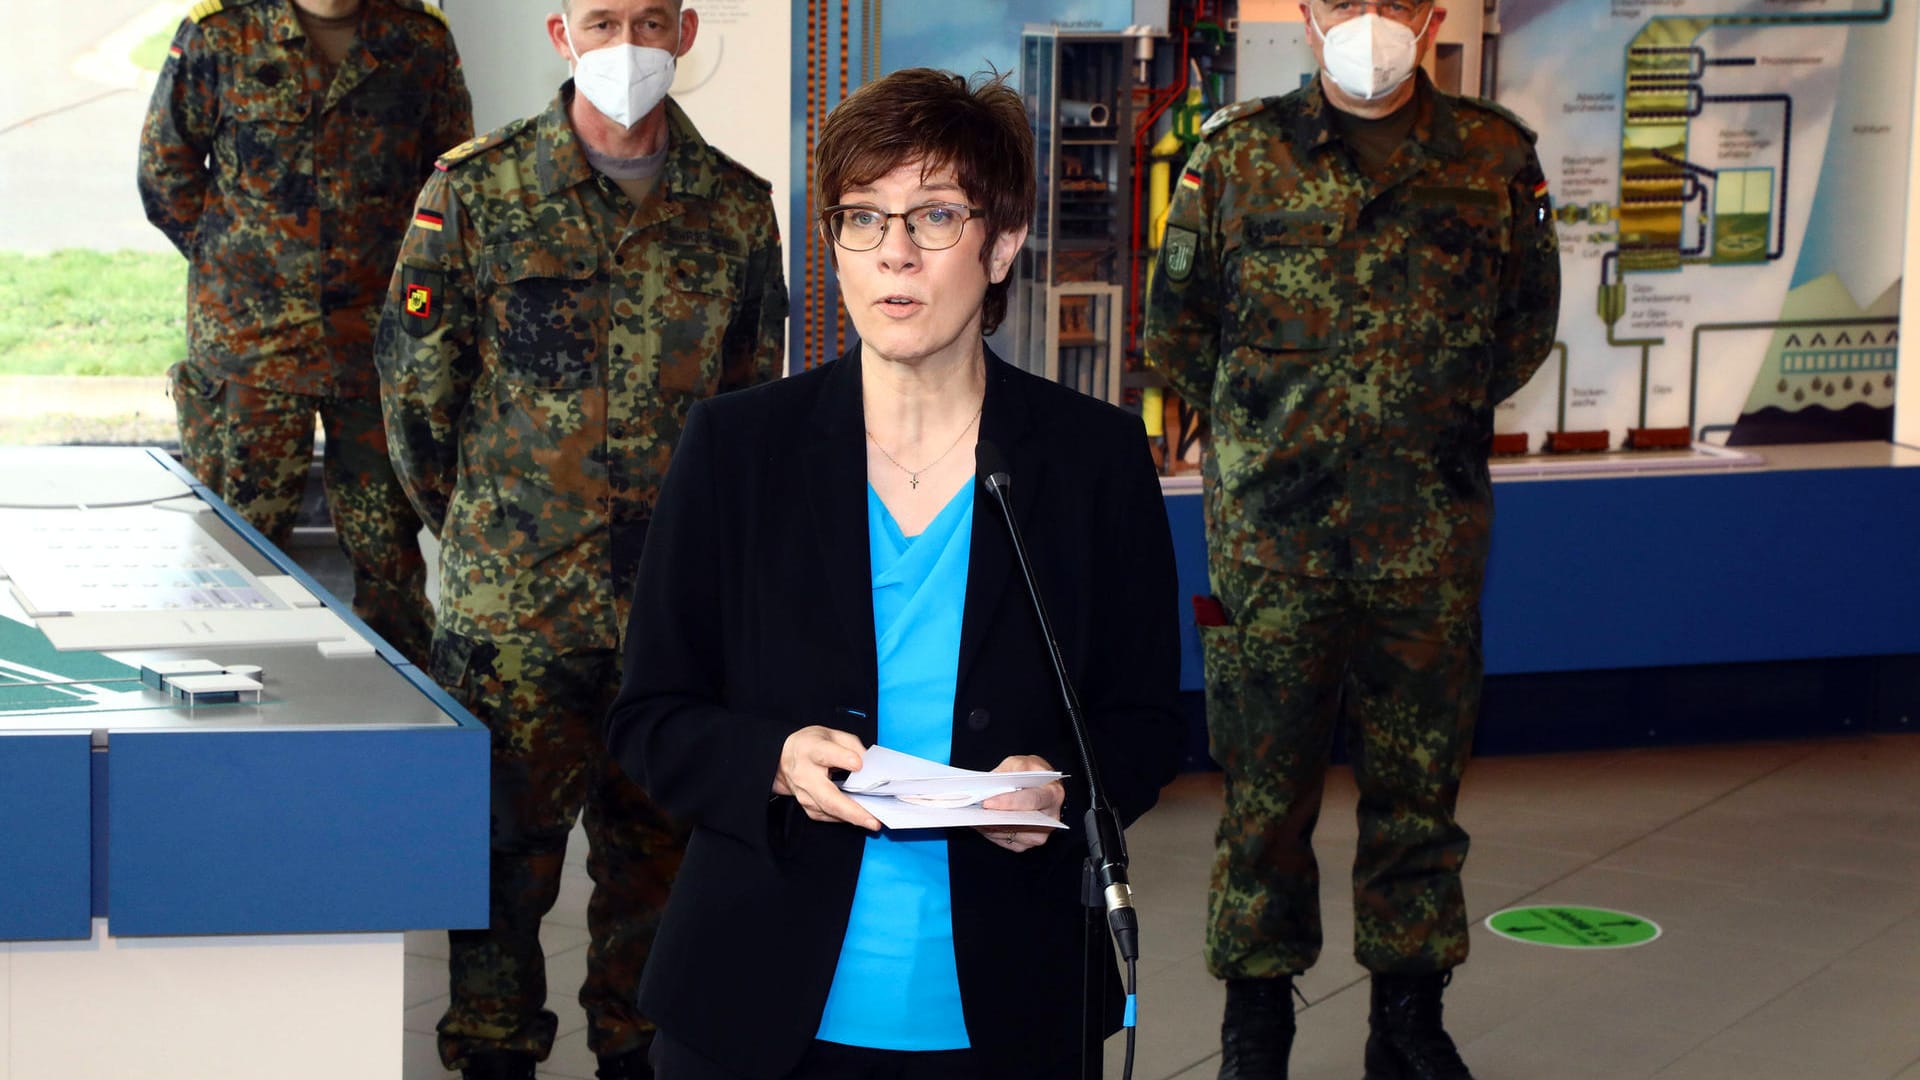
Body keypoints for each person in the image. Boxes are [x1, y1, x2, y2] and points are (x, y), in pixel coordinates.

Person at [603, 68, 1183, 1080]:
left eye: (936, 216)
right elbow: (651, 716)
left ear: (1001, 243)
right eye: (864, 219)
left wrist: (1056, 788)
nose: (896, 254)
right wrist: (773, 761)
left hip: (1009, 1005)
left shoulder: (1087, 460)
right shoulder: (740, 450)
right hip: (756, 1000)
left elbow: (1144, 723)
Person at [1143, 2, 1562, 1077]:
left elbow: (1523, 326)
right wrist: (1278, 437)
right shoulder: (1236, 156)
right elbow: (1179, 330)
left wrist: (1416, 417)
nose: (1366, 17)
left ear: (1427, 15)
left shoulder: (1492, 156)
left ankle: (1409, 1021)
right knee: (1263, 799)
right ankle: (1256, 1022)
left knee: (1420, 792)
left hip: (1426, 538)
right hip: (1272, 548)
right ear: (1313, 13)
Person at [373, 0, 787, 1076]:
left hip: (673, 622)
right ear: (563, 35)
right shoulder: (474, 191)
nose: (629, 45)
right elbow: (418, 405)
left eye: (651, 19)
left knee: (662, 880)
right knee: (502, 878)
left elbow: (753, 409)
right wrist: (486, 538)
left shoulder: (737, 210)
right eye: (604, 21)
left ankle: (636, 1056)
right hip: (517, 618)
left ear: (686, 31)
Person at [137, 0, 471, 667]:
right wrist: (238, 267)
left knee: (392, 563)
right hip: (250, 349)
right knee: (232, 556)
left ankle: (401, 717)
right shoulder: (221, 34)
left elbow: (450, 180)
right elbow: (165, 173)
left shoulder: (417, 39)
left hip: (376, 345)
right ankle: (222, 711)